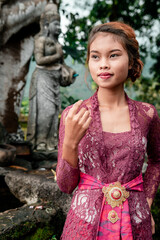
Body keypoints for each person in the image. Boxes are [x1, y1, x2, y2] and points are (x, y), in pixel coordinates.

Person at [56, 21, 160, 239]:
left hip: (135, 223)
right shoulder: (73, 115)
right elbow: (66, 186)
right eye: (95, 56)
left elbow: (157, 161)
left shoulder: (147, 115)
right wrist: (70, 143)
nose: (103, 64)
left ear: (131, 61)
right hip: (84, 225)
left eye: (113, 55)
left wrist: (146, 203)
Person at [27, 3, 76, 151]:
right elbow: (40, 60)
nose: (59, 28)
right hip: (42, 78)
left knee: (54, 112)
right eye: (56, 24)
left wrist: (70, 72)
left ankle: (50, 143)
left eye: (60, 25)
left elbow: (63, 64)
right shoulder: (40, 40)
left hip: (55, 80)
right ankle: (40, 142)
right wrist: (57, 55)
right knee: (45, 111)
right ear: (47, 25)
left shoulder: (58, 44)